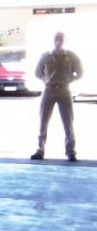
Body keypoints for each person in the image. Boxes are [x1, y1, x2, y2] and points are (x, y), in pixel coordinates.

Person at [30, 31, 83, 162]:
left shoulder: (71, 56)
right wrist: (45, 81)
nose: (58, 41)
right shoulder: (45, 56)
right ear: (53, 40)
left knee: (68, 122)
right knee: (43, 121)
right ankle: (40, 150)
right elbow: (37, 73)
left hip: (64, 91)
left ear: (64, 40)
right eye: (56, 39)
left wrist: (68, 80)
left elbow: (80, 73)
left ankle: (71, 152)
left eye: (60, 39)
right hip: (48, 91)